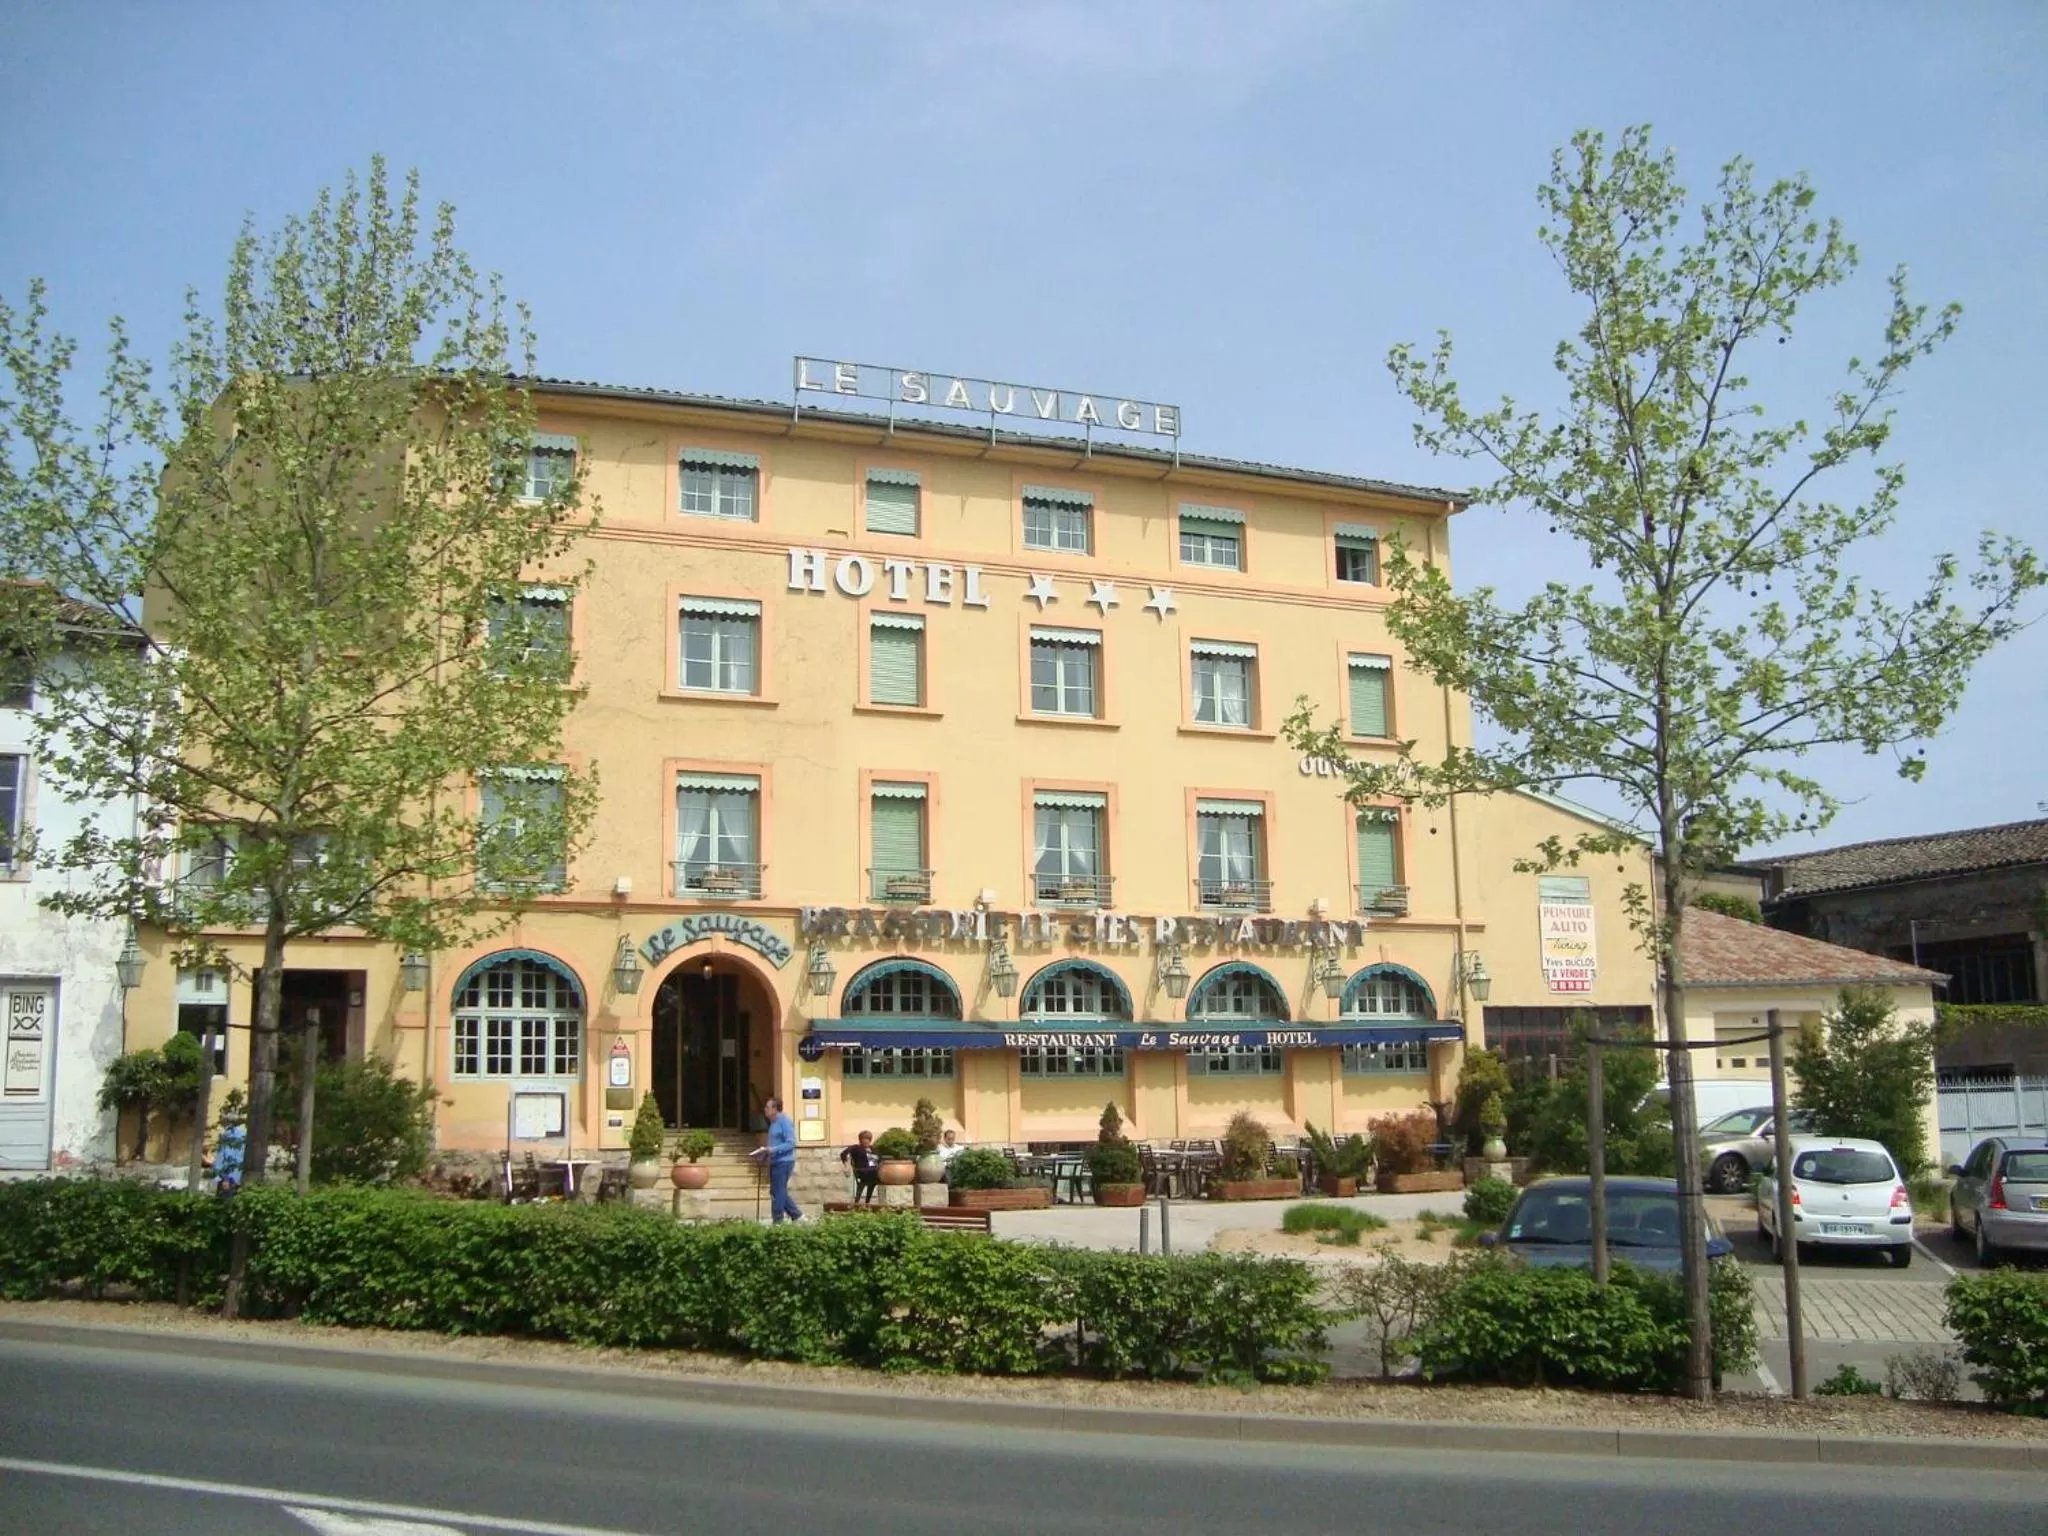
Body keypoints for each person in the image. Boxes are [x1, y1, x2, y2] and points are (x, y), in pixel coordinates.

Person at [763, 1096, 802, 1224]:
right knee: (776, 1191)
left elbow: (791, 1143)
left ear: (775, 1109)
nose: (765, 1109)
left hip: (784, 1162)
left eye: (767, 1107)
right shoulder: (773, 1123)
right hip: (775, 1161)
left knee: (778, 1192)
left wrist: (773, 1150)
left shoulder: (784, 1121)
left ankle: (778, 1221)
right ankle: (797, 1215)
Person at [840, 1129, 881, 1205]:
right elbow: (843, 1154)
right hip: (862, 1172)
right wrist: (847, 1165)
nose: (866, 1141)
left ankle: (867, 1202)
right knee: (876, 1177)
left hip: (874, 1171)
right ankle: (861, 1202)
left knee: (878, 1178)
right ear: (860, 1140)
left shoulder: (873, 1149)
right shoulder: (856, 1148)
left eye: (868, 1139)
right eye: (864, 1139)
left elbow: (879, 1159)